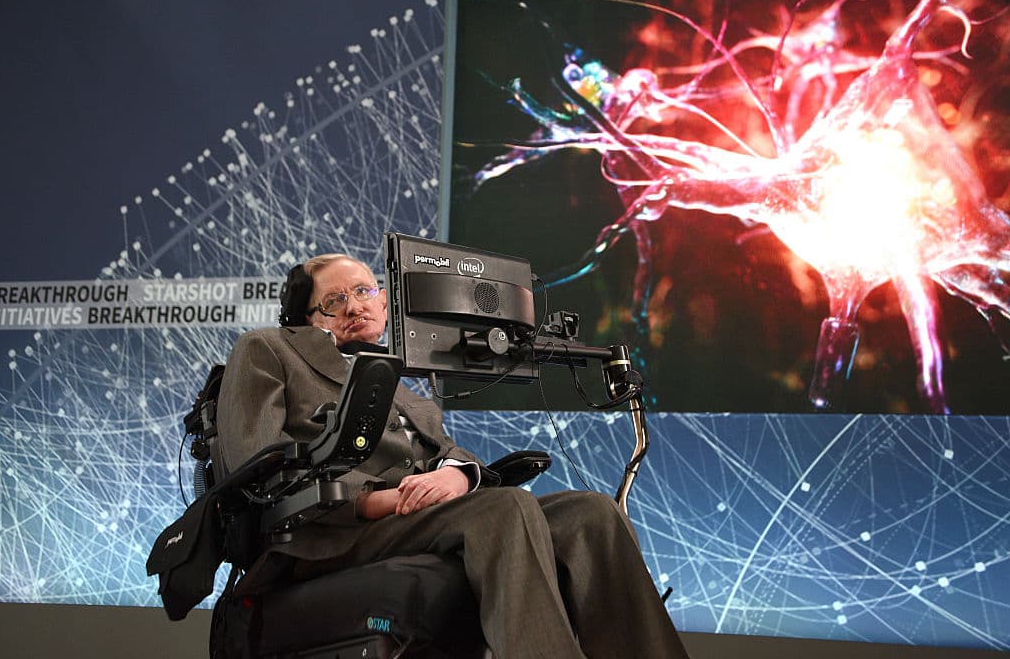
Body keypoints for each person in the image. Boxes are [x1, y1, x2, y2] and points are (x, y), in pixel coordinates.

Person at [216, 252, 691, 659]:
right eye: (334, 300)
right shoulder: (268, 349)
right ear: (307, 317)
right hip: (329, 531)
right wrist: (376, 500)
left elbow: (449, 453)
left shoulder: (408, 394)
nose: (354, 306)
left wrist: (459, 476)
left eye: (362, 292)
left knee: (591, 513)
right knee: (502, 508)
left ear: (384, 304)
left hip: (418, 517)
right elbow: (257, 465)